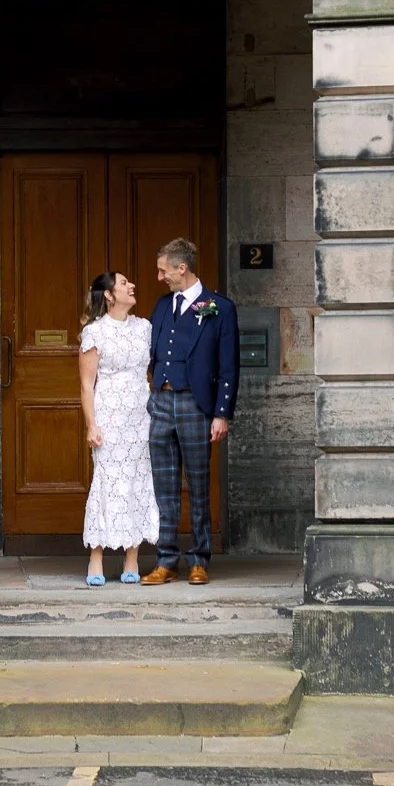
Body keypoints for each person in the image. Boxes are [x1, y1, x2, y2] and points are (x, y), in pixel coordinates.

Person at [140, 238, 238, 586]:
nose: (159, 277)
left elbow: (229, 366)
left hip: (196, 405)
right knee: (164, 488)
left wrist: (221, 414)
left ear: (182, 268)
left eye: (163, 270)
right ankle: (166, 560)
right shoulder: (161, 306)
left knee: (198, 486)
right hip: (161, 403)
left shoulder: (219, 307)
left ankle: (199, 560)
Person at [78, 270, 159, 586]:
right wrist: (91, 425)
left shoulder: (144, 328)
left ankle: (132, 556)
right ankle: (96, 556)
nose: (132, 286)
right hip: (109, 414)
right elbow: (87, 385)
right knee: (107, 480)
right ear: (109, 295)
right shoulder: (95, 332)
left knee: (137, 481)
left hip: (139, 414)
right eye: (124, 283)